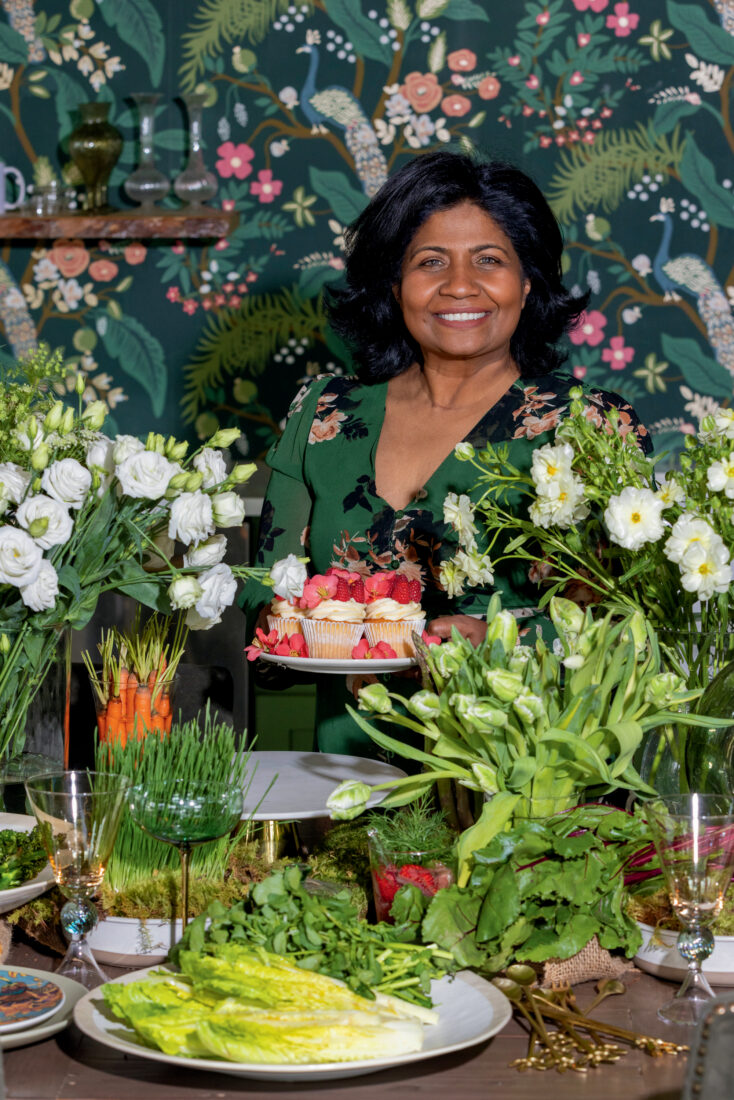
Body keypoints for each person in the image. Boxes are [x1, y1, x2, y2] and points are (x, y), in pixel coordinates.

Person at [240, 149, 649, 755]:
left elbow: (627, 632)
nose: (460, 285)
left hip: (517, 775)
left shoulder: (591, 427)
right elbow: (263, 614)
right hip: (341, 773)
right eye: (431, 261)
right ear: (395, 282)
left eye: (489, 260)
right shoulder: (321, 413)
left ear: (527, 281)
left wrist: (500, 640)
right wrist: (310, 631)